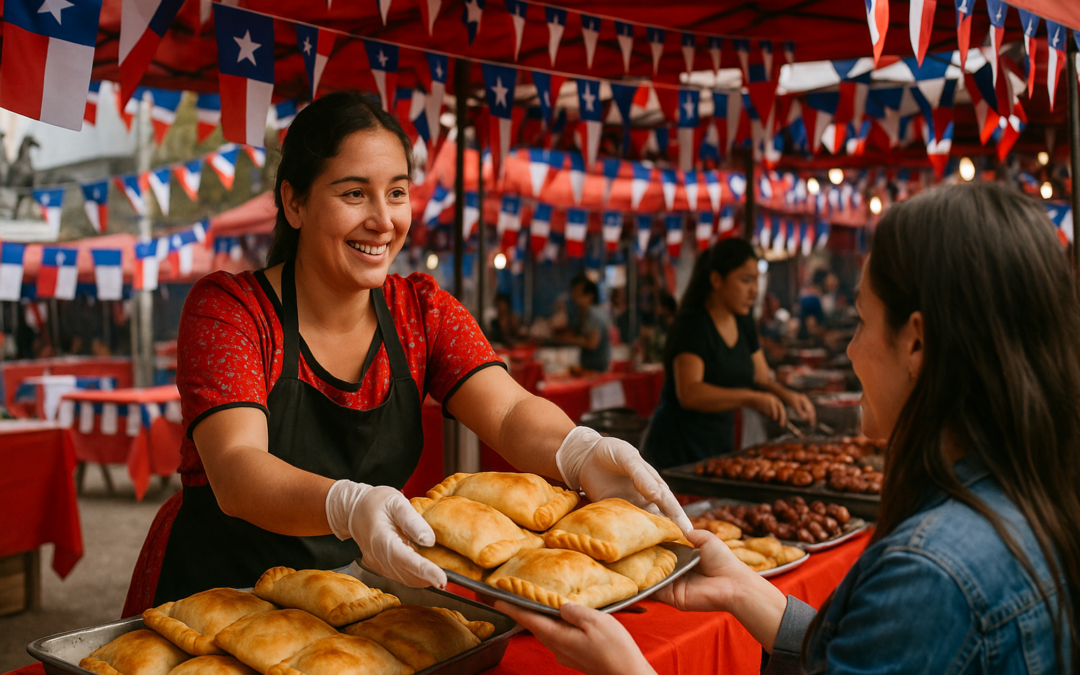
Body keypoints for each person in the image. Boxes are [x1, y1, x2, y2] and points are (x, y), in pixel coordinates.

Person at [497, 183, 1079, 674]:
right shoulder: (1032, 502)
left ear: (917, 343)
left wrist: (628, 670)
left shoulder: (928, 578)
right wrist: (747, 593)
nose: (851, 349)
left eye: (861, 321)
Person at [149, 92, 690, 604]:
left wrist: (577, 451)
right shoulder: (231, 309)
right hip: (220, 596)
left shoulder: (420, 311)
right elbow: (238, 469)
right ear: (293, 201)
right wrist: (348, 504)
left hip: (345, 598)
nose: (383, 220)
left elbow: (509, 412)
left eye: (398, 192)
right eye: (353, 193)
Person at [641, 239, 815, 470]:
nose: (754, 291)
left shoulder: (743, 322)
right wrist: (750, 398)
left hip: (718, 441)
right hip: (677, 446)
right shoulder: (692, 324)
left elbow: (761, 377)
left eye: (756, 280)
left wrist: (787, 396)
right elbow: (690, 392)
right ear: (716, 280)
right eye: (745, 280)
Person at [555, 273, 611, 372]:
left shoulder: (594, 314)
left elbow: (592, 343)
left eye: (578, 293)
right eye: (573, 292)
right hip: (588, 368)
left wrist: (568, 340)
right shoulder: (581, 314)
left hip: (597, 370)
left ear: (590, 296)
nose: (574, 297)